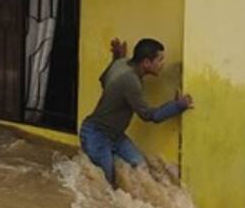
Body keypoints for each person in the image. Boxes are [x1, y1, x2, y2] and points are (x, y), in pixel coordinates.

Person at [79, 37, 193, 186]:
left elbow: (104, 80)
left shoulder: (121, 63)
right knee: (106, 183)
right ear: (146, 63)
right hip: (96, 135)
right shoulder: (131, 81)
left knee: (141, 168)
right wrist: (178, 106)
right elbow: (149, 116)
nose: (162, 64)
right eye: (160, 60)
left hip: (115, 136)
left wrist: (116, 57)